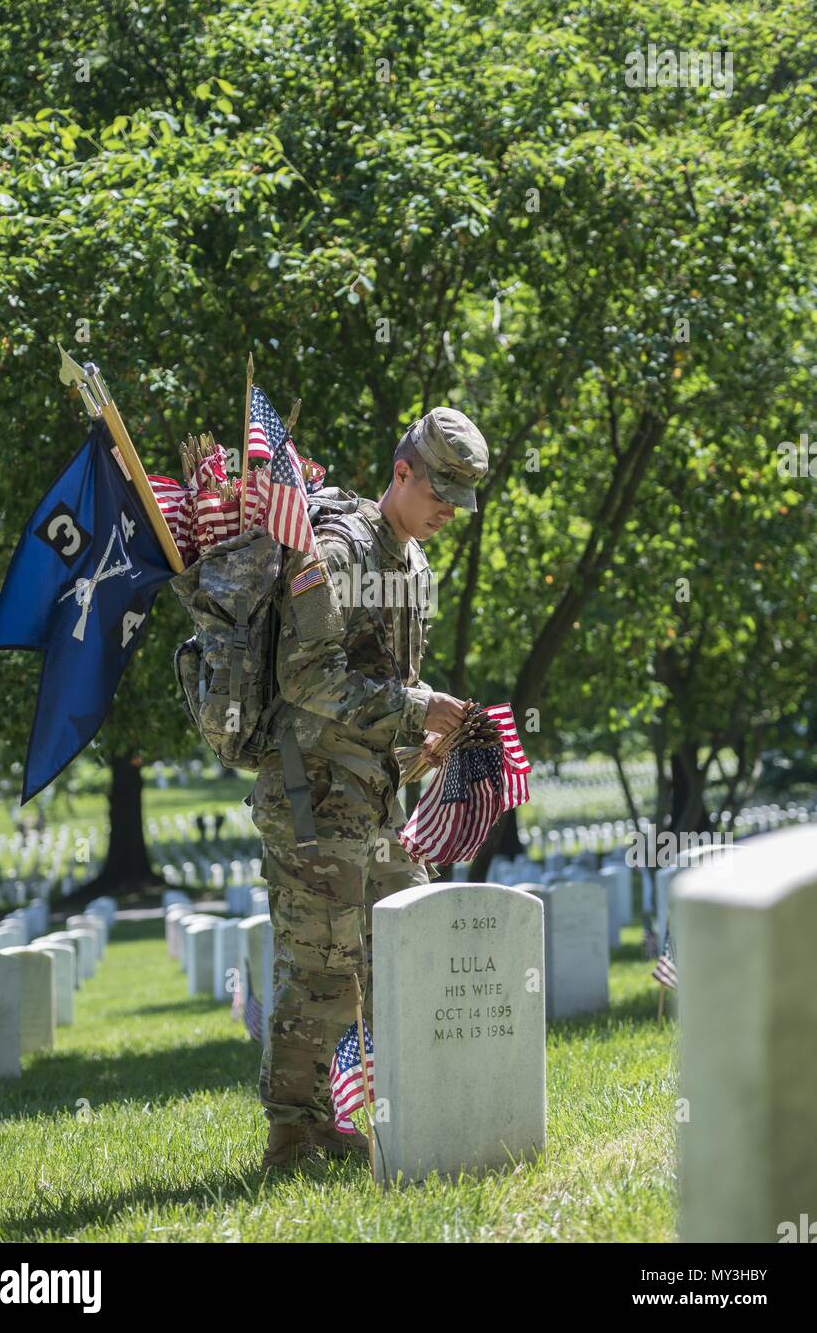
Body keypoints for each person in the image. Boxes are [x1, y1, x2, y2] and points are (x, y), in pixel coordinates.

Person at [249, 407, 489, 1168]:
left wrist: (422, 734)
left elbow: (387, 681)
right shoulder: (339, 548)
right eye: (439, 491)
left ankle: (361, 1114)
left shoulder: (414, 563)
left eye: (460, 498)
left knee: (401, 946)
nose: (448, 509)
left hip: (378, 796)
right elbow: (306, 676)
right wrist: (418, 708)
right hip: (311, 793)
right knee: (319, 965)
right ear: (401, 473)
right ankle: (294, 1133)